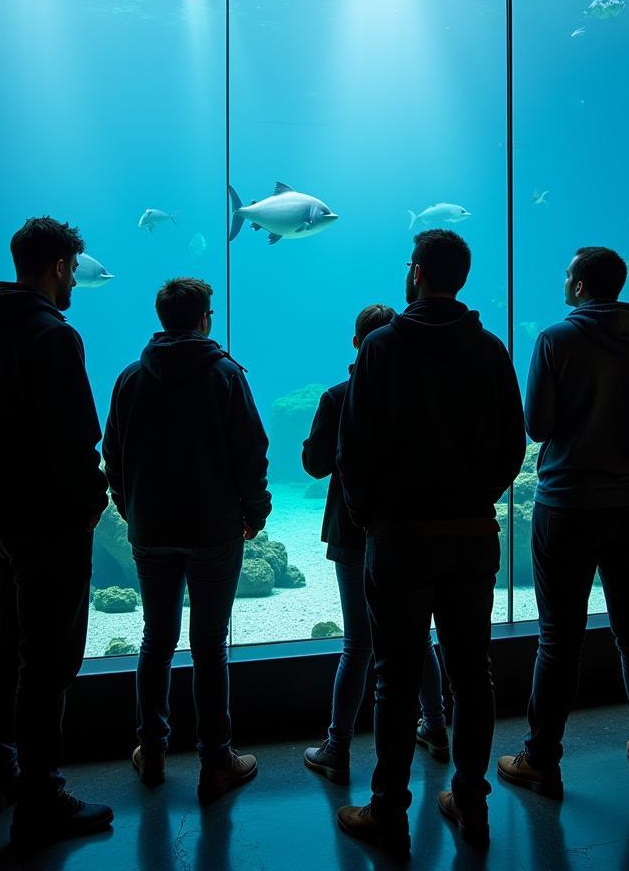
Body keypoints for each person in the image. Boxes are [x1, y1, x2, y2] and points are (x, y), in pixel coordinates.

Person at [335, 230, 526, 855]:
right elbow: (513, 445)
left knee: (394, 675)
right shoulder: (491, 350)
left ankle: (388, 809)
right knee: (473, 674)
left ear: (416, 272)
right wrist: (479, 497)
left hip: (398, 537)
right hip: (472, 535)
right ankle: (471, 800)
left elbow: (354, 447)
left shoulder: (382, 349)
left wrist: (371, 517)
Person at [0, 216, 113, 849]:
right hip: (50, 524)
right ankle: (41, 796)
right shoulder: (53, 337)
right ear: (59, 267)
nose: (73, 279)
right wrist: (90, 502)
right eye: (72, 267)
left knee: (5, 641)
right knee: (50, 659)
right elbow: (78, 438)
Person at [498, 246, 629, 799]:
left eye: (566, 274)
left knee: (559, 638)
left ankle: (541, 759)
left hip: (568, 505)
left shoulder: (555, 340)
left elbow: (537, 425)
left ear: (578, 286)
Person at [102, 277, 271, 803]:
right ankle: (216, 760)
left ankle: (151, 752)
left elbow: (114, 453)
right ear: (204, 318)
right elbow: (251, 448)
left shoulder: (132, 378)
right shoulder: (225, 375)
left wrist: (132, 510)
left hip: (151, 530)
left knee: (156, 638)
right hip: (214, 530)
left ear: (162, 317)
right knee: (208, 645)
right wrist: (255, 511)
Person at [301, 304, 448, 785]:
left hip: (352, 532)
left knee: (358, 644)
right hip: (412, 528)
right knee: (418, 635)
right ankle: (438, 727)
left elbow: (315, 465)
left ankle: (338, 746)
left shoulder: (338, 395)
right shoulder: (419, 393)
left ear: (354, 342)